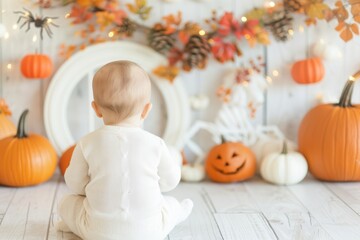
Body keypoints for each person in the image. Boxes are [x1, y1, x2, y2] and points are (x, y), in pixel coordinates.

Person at [56, 60, 193, 240]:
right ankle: (179, 213)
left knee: (67, 203)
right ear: (146, 110)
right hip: (151, 232)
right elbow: (171, 182)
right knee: (170, 204)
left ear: (96, 109)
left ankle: (73, 225)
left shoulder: (86, 143)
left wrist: (95, 189)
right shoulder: (156, 144)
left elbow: (74, 184)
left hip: (96, 232)